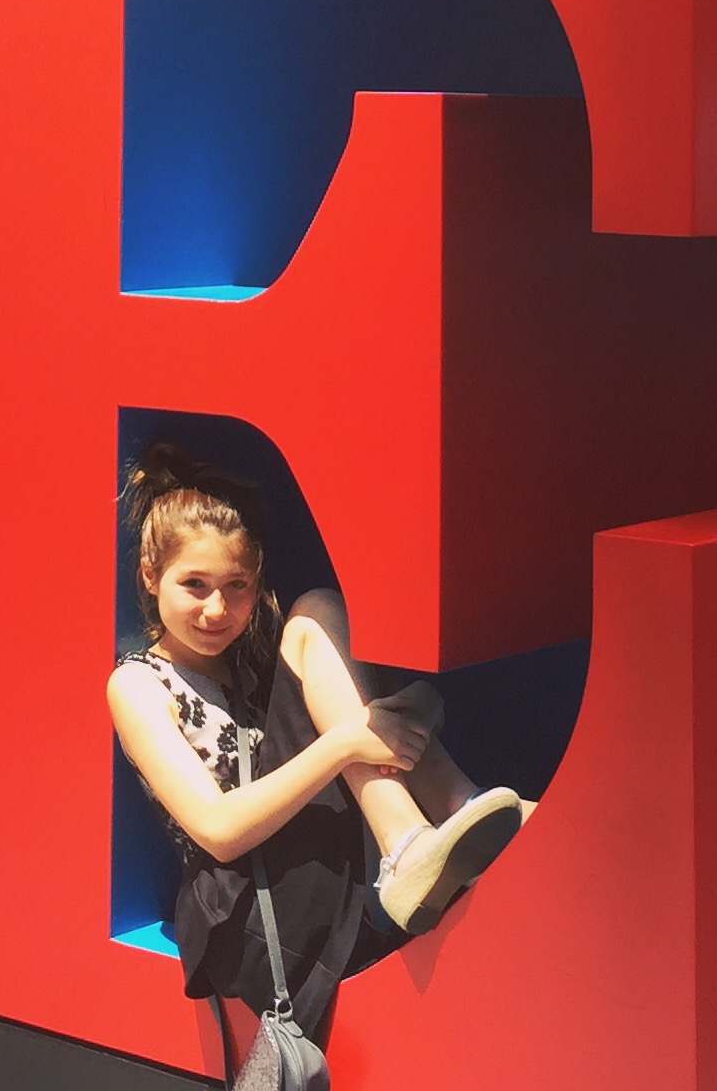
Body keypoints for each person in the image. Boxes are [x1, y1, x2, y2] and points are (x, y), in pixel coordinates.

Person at [106, 444, 526, 1046]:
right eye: (194, 585)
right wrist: (348, 743)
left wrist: (406, 715)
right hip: (249, 915)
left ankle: (462, 813)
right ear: (151, 577)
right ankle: (409, 843)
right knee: (314, 616)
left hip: (316, 874)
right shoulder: (138, 684)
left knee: (319, 617)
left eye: (237, 585)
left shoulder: (256, 660)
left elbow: (386, 721)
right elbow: (218, 829)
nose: (217, 609)